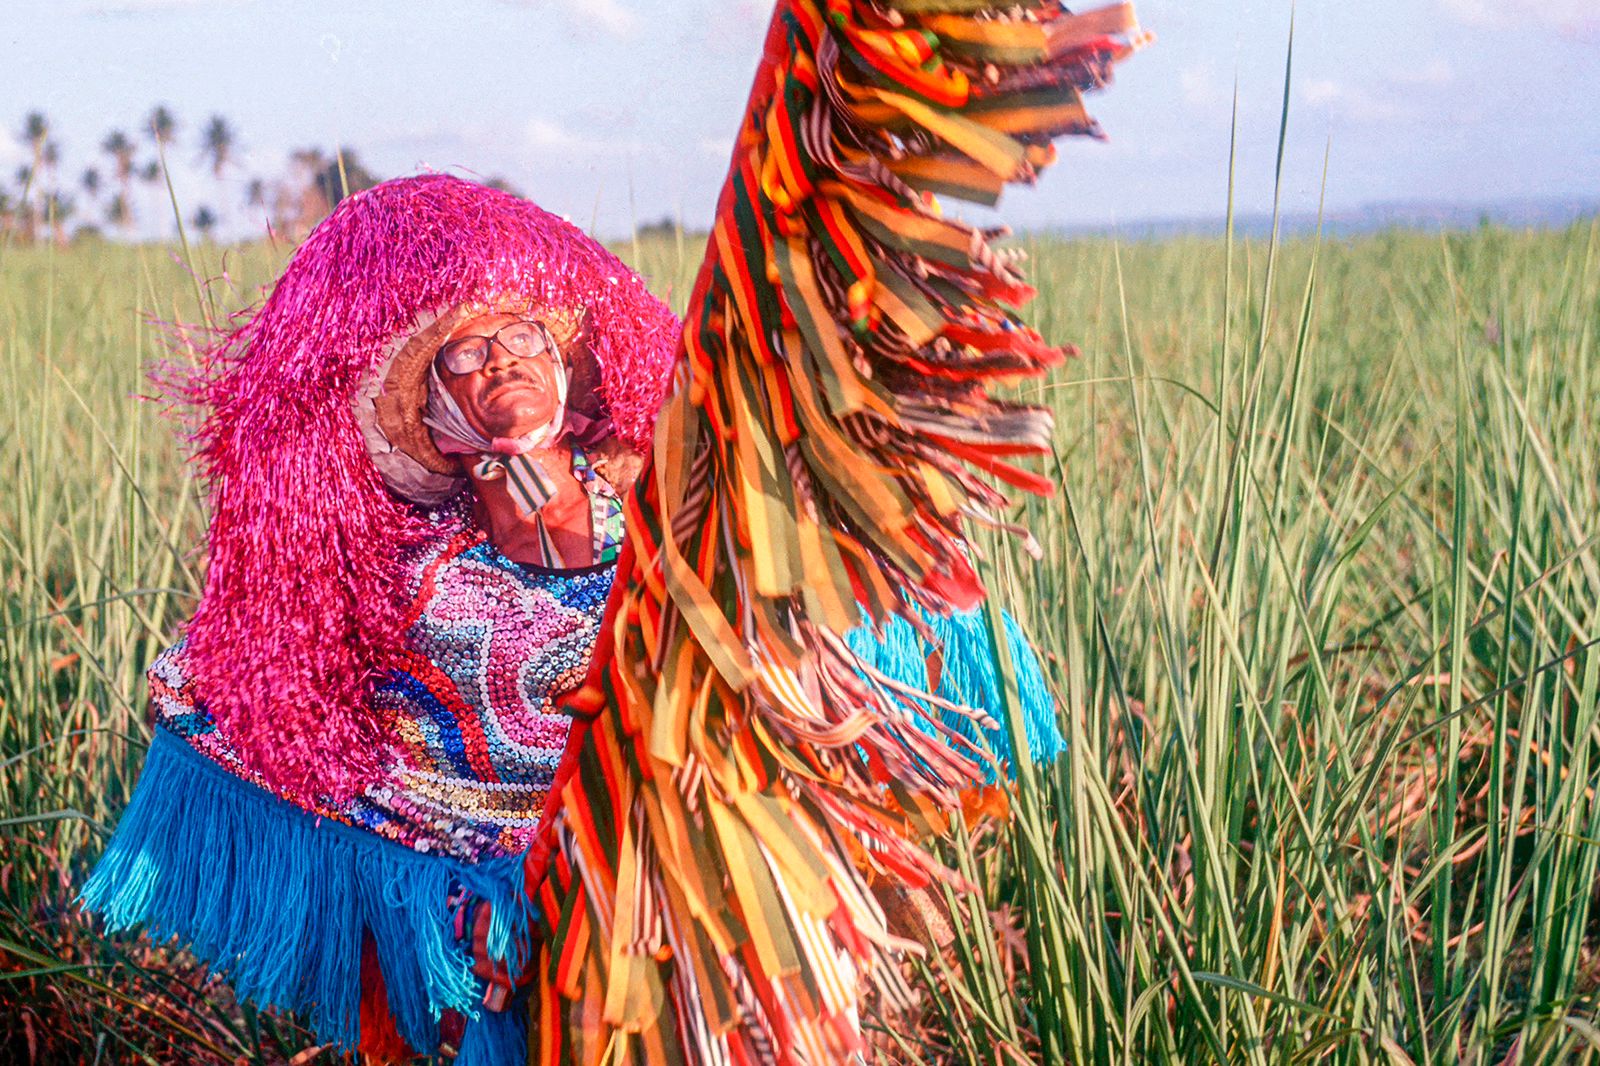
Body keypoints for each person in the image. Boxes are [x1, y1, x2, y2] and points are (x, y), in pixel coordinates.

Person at [83, 3, 1143, 1062]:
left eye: (522, 338)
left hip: (663, 884)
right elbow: (285, 716)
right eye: (463, 355)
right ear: (428, 415)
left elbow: (784, 603)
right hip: (484, 918)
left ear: (565, 364)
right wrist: (459, 913)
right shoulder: (416, 576)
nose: (502, 363)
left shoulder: (661, 511)